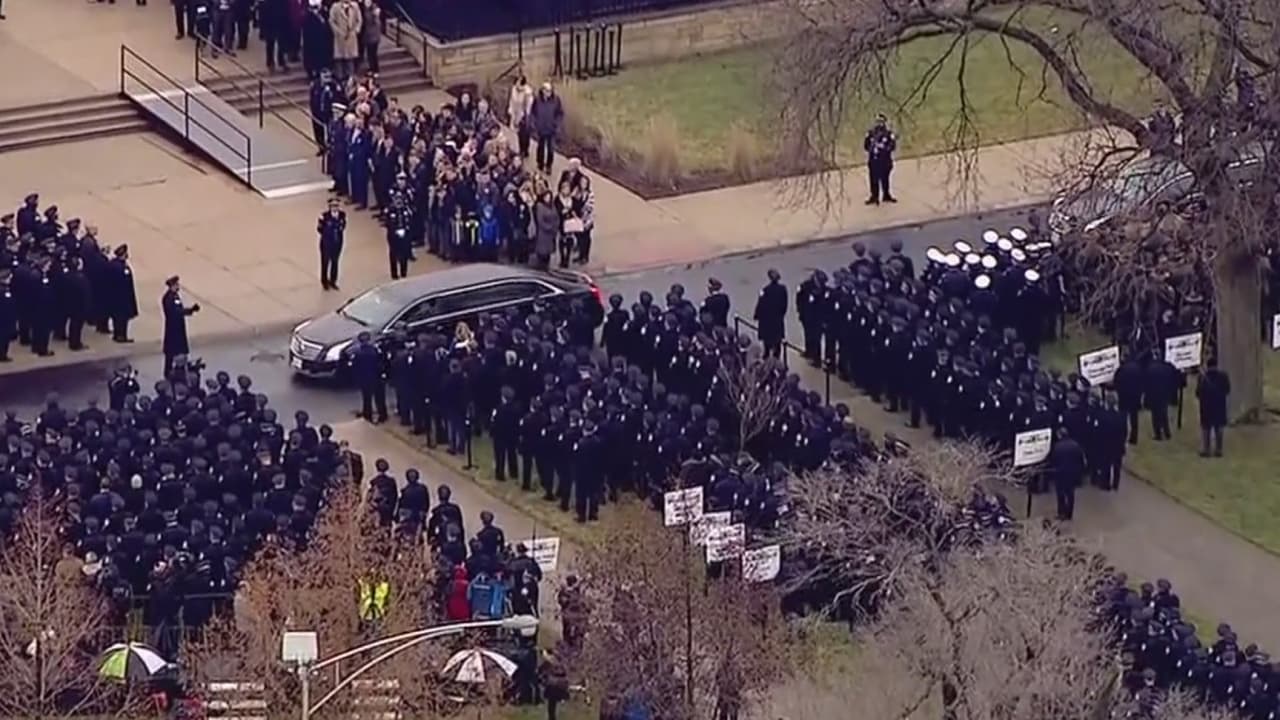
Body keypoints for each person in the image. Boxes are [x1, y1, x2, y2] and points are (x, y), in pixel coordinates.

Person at [161, 275, 200, 378]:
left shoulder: (175, 296)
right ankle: (168, 374)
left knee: (179, 352)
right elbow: (175, 312)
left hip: (178, 328)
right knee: (171, 353)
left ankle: (179, 372)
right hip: (173, 329)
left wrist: (190, 310)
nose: (178, 286)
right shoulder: (168, 298)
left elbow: (179, 310)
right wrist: (189, 310)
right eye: (176, 285)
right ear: (172, 286)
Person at [1196, 356, 1231, 457]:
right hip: (1219, 405)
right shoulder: (1223, 376)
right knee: (1219, 428)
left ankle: (1206, 449)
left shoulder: (1202, 377)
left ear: (1207, 366)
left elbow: (1198, 393)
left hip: (1206, 405)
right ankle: (1218, 449)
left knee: (1206, 428)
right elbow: (1227, 390)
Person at [351, 331, 388, 423]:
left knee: (367, 399)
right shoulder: (375, 351)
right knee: (379, 398)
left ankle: (368, 416)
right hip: (377, 378)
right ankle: (382, 416)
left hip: (365, 379)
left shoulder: (357, 353)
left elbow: (355, 367)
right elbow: (381, 363)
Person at [1048, 426, 1084, 520]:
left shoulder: (1057, 447)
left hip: (1060, 473)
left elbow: (1053, 460)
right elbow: (1080, 460)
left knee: (1060, 494)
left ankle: (1061, 512)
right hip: (1072, 473)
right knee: (1070, 493)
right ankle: (1069, 513)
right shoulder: (1075, 445)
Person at [105, 244, 138, 343]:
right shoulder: (120, 267)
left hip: (115, 296)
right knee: (122, 318)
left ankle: (118, 334)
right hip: (122, 297)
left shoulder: (113, 264)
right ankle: (121, 335)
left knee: (117, 317)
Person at [530, 82, 564, 176]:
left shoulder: (556, 100)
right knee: (540, 147)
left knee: (550, 148)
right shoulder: (537, 100)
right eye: (546, 90)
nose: (547, 93)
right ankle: (540, 163)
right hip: (541, 128)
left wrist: (556, 124)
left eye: (549, 91)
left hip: (551, 129)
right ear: (542, 90)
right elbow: (533, 112)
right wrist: (534, 123)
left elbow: (560, 113)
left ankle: (549, 166)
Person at [864, 114, 897, 205]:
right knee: (873, 179)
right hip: (874, 160)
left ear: (884, 122)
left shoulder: (888, 134)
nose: (879, 124)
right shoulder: (871, 133)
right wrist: (872, 149)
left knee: (885, 179)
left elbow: (892, 146)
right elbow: (866, 146)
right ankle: (874, 196)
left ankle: (886, 195)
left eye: (881, 122)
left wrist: (884, 149)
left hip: (884, 161)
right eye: (877, 122)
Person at [753, 269, 787, 358]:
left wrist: (757, 315)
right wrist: (781, 314)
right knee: (777, 339)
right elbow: (784, 304)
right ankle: (777, 355)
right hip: (777, 318)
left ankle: (767, 354)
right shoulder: (782, 289)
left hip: (767, 319)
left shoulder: (765, 290)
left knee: (767, 339)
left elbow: (761, 304)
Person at [328, 0, 362, 80]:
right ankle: (340, 79)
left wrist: (355, 31)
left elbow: (359, 20)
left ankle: (350, 78)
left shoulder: (355, 6)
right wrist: (338, 32)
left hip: (351, 37)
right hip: (340, 38)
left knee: (350, 59)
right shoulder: (335, 7)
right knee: (339, 60)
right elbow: (331, 21)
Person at [317, 197, 346, 290]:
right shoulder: (324, 216)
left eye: (336, 206)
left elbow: (343, 226)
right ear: (330, 207)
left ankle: (333, 281)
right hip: (326, 243)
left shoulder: (342, 215)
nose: (335, 208)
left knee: (335, 262)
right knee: (325, 263)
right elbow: (319, 229)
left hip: (337, 242)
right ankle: (324, 282)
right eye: (333, 206)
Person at [508, 75, 534, 160]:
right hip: (516, 114)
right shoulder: (514, 90)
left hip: (524, 115)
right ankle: (521, 149)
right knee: (519, 133)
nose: (517, 84)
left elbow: (529, 106)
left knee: (525, 134)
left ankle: (525, 150)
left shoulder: (527, 92)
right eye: (516, 82)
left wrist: (526, 115)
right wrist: (511, 112)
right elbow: (512, 101)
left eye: (519, 83)